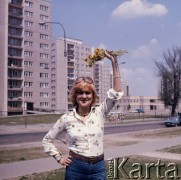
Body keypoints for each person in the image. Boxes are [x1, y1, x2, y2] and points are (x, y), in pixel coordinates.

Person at [42, 50, 124, 180]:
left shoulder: (100, 112)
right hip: (75, 169)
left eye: (88, 93)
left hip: (98, 168)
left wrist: (114, 62)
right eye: (80, 93)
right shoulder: (66, 118)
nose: (84, 96)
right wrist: (60, 158)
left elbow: (117, 91)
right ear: (75, 96)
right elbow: (47, 140)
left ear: (93, 96)